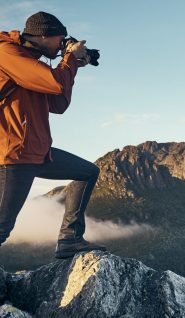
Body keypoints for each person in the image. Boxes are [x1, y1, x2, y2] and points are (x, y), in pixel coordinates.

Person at [0, 11, 106, 258]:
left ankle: (70, 239)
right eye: (60, 40)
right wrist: (69, 56)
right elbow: (55, 83)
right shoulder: (7, 53)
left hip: (37, 152)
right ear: (44, 36)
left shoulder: (31, 62)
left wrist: (73, 65)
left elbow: (58, 104)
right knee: (2, 226)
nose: (61, 46)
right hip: (14, 154)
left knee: (88, 172)